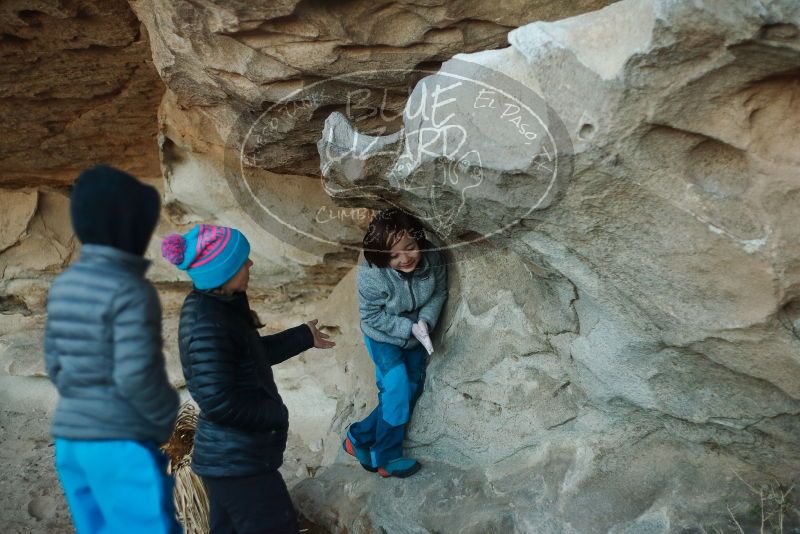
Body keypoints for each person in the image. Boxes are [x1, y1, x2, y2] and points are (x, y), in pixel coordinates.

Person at [162, 224, 335, 534]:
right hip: (237, 462)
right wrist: (274, 414)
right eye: (243, 261)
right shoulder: (207, 323)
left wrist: (303, 336)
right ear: (222, 272)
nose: (251, 264)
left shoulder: (220, 306)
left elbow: (249, 354)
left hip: (232, 459)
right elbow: (217, 401)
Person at [44, 165, 181, 534]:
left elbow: (54, 365)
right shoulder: (130, 290)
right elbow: (136, 375)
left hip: (71, 440)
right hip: (119, 441)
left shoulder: (65, 285)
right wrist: (167, 415)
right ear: (129, 228)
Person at [342, 208, 448, 478]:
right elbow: (370, 315)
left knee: (409, 391)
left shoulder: (433, 258)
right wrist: (406, 327)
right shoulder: (371, 272)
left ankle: (357, 438)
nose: (405, 258)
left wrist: (425, 321)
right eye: (394, 255)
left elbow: (438, 293)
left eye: (410, 247)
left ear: (418, 241)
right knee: (396, 387)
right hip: (383, 335)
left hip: (417, 334)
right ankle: (387, 458)